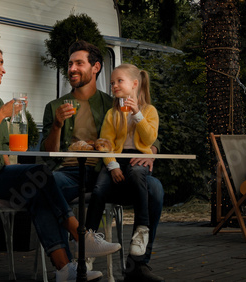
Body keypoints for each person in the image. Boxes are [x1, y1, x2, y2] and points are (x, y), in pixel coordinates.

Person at [0, 42, 117, 281]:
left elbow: (2, 146)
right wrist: (3, 114)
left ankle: (64, 270)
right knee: (40, 174)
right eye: (0, 62)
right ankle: (81, 236)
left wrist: (14, 169)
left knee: (36, 190)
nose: (3, 69)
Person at [41, 41, 165, 282]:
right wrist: (57, 124)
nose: (72, 69)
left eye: (79, 63)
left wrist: (152, 150)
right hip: (72, 172)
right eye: (70, 64)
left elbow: (153, 133)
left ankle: (137, 265)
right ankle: (74, 263)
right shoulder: (55, 106)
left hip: (102, 170)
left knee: (156, 190)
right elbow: (46, 152)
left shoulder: (113, 102)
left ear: (96, 67)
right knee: (46, 184)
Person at [85, 64, 164, 282]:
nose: (114, 86)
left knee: (140, 176)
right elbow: (105, 143)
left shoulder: (149, 111)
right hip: (116, 161)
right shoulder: (112, 113)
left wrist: (137, 113)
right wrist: (112, 165)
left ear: (135, 84)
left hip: (137, 158)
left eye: (119, 81)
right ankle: (88, 246)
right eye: (112, 83)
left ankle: (141, 230)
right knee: (99, 189)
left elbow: (149, 139)